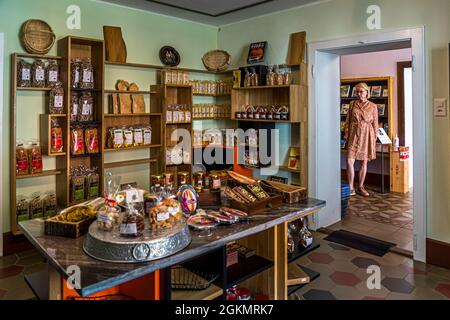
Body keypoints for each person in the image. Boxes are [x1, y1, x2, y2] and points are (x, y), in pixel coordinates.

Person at [344, 82, 379, 197]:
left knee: (364, 162)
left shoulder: (373, 106)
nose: (359, 94)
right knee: (350, 160)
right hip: (354, 134)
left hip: (367, 134)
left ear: (366, 92)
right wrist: (346, 133)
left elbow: (375, 124)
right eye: (357, 92)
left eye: (361, 91)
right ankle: (350, 186)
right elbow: (348, 120)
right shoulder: (352, 104)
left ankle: (361, 186)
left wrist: (373, 139)